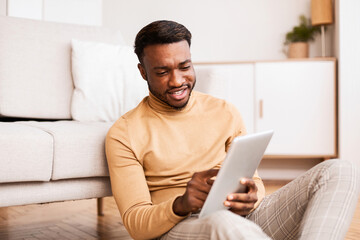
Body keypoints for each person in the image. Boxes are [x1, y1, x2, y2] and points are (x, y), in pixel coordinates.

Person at [106, 20, 360, 240]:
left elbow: (255, 182)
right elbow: (136, 224)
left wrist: (252, 195)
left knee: (340, 169)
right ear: (143, 72)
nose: (177, 81)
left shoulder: (224, 111)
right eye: (162, 72)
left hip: (242, 220)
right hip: (181, 228)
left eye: (184, 67)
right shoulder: (124, 133)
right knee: (222, 222)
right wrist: (180, 204)